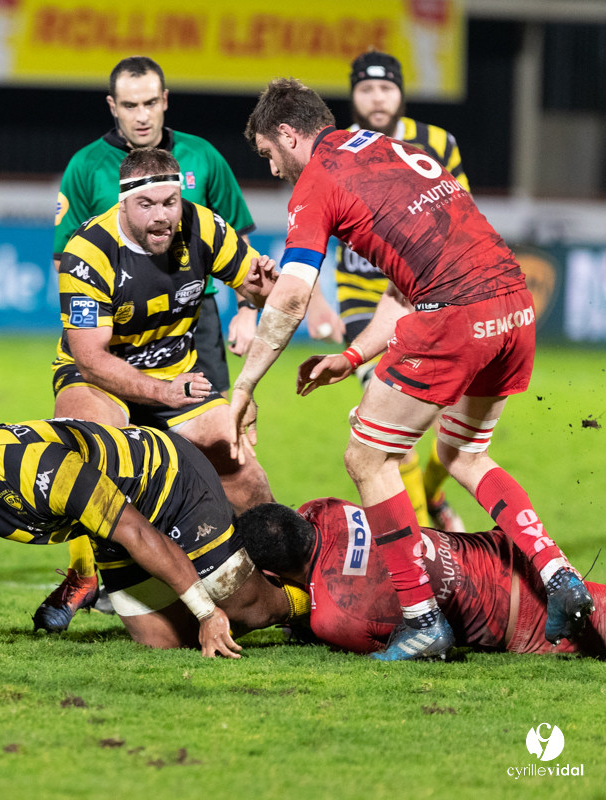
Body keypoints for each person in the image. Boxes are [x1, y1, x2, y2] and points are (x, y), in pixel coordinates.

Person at [230, 77, 593, 660]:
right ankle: (559, 577)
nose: (273, 169)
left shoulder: (318, 180)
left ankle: (422, 619)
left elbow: (293, 296)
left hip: (455, 313)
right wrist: (352, 356)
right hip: (513, 303)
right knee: (462, 454)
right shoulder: (392, 150)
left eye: (270, 154)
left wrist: (244, 387)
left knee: (367, 458)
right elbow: (403, 290)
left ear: (289, 135)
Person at [43, 56, 261, 630]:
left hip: (186, 337)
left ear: (165, 101)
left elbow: (258, 273)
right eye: (130, 104)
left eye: (171, 203)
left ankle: (268, 575)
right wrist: (161, 390)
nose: (163, 215)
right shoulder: (88, 206)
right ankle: (95, 572)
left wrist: (251, 326)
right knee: (91, 446)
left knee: (237, 458)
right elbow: (87, 346)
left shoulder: (203, 182)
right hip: (105, 355)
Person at [0, 401, 308, 657]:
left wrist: (206, 612)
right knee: (162, 642)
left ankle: (305, 601)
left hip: (166, 483)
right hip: (107, 522)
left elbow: (139, 535)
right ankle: (225, 586)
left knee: (242, 608)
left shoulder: (44, 469)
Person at [305, 50, 469, 533]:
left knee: (457, 425)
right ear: (353, 95)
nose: (377, 98)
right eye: (366, 89)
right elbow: (310, 231)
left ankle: (432, 495)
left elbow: (462, 215)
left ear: (400, 93)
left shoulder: (438, 143)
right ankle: (427, 541)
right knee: (392, 428)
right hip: (363, 302)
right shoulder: (335, 151)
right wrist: (316, 300)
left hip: (429, 295)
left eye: (386, 88)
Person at [238, 500, 606, 658]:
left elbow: (396, 640)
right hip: (506, 550)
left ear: (273, 573)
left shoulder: (333, 617)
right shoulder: (327, 508)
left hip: (525, 618)